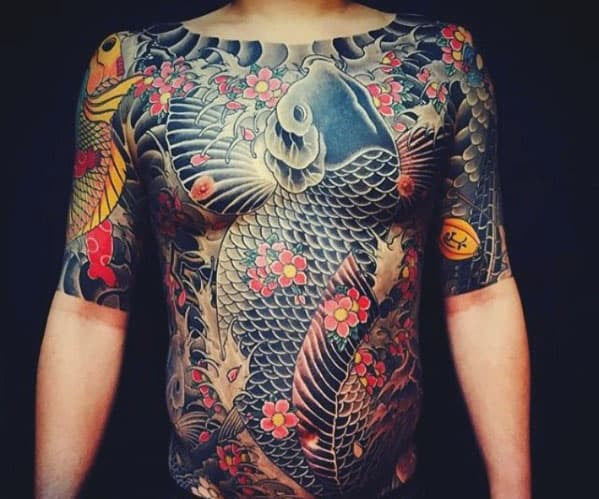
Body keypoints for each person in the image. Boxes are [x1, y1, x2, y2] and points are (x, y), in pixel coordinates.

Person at [35, 1, 531, 498]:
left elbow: (480, 291)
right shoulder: (135, 66)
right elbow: (89, 309)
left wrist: (514, 488)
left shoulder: (444, 59)